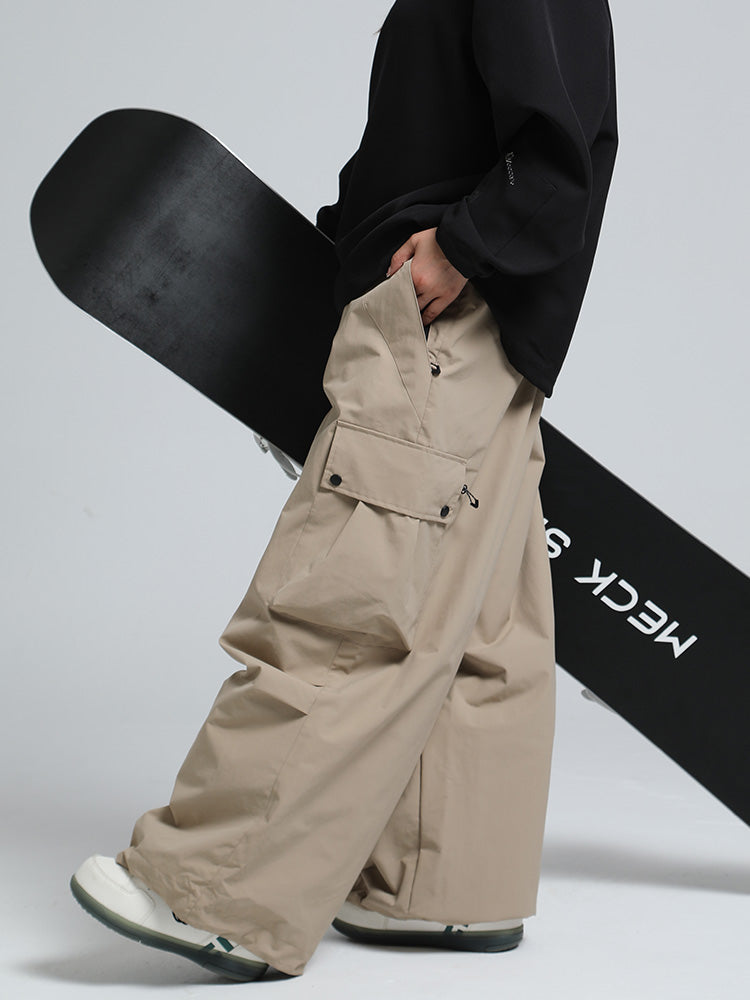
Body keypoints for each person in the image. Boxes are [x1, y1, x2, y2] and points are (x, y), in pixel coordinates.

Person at [70, 0, 618, 982]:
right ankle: (439, 889)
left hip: (444, 319)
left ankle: (213, 892)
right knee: (481, 620)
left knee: (352, 605)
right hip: (480, 331)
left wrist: (459, 248)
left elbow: (553, 160)